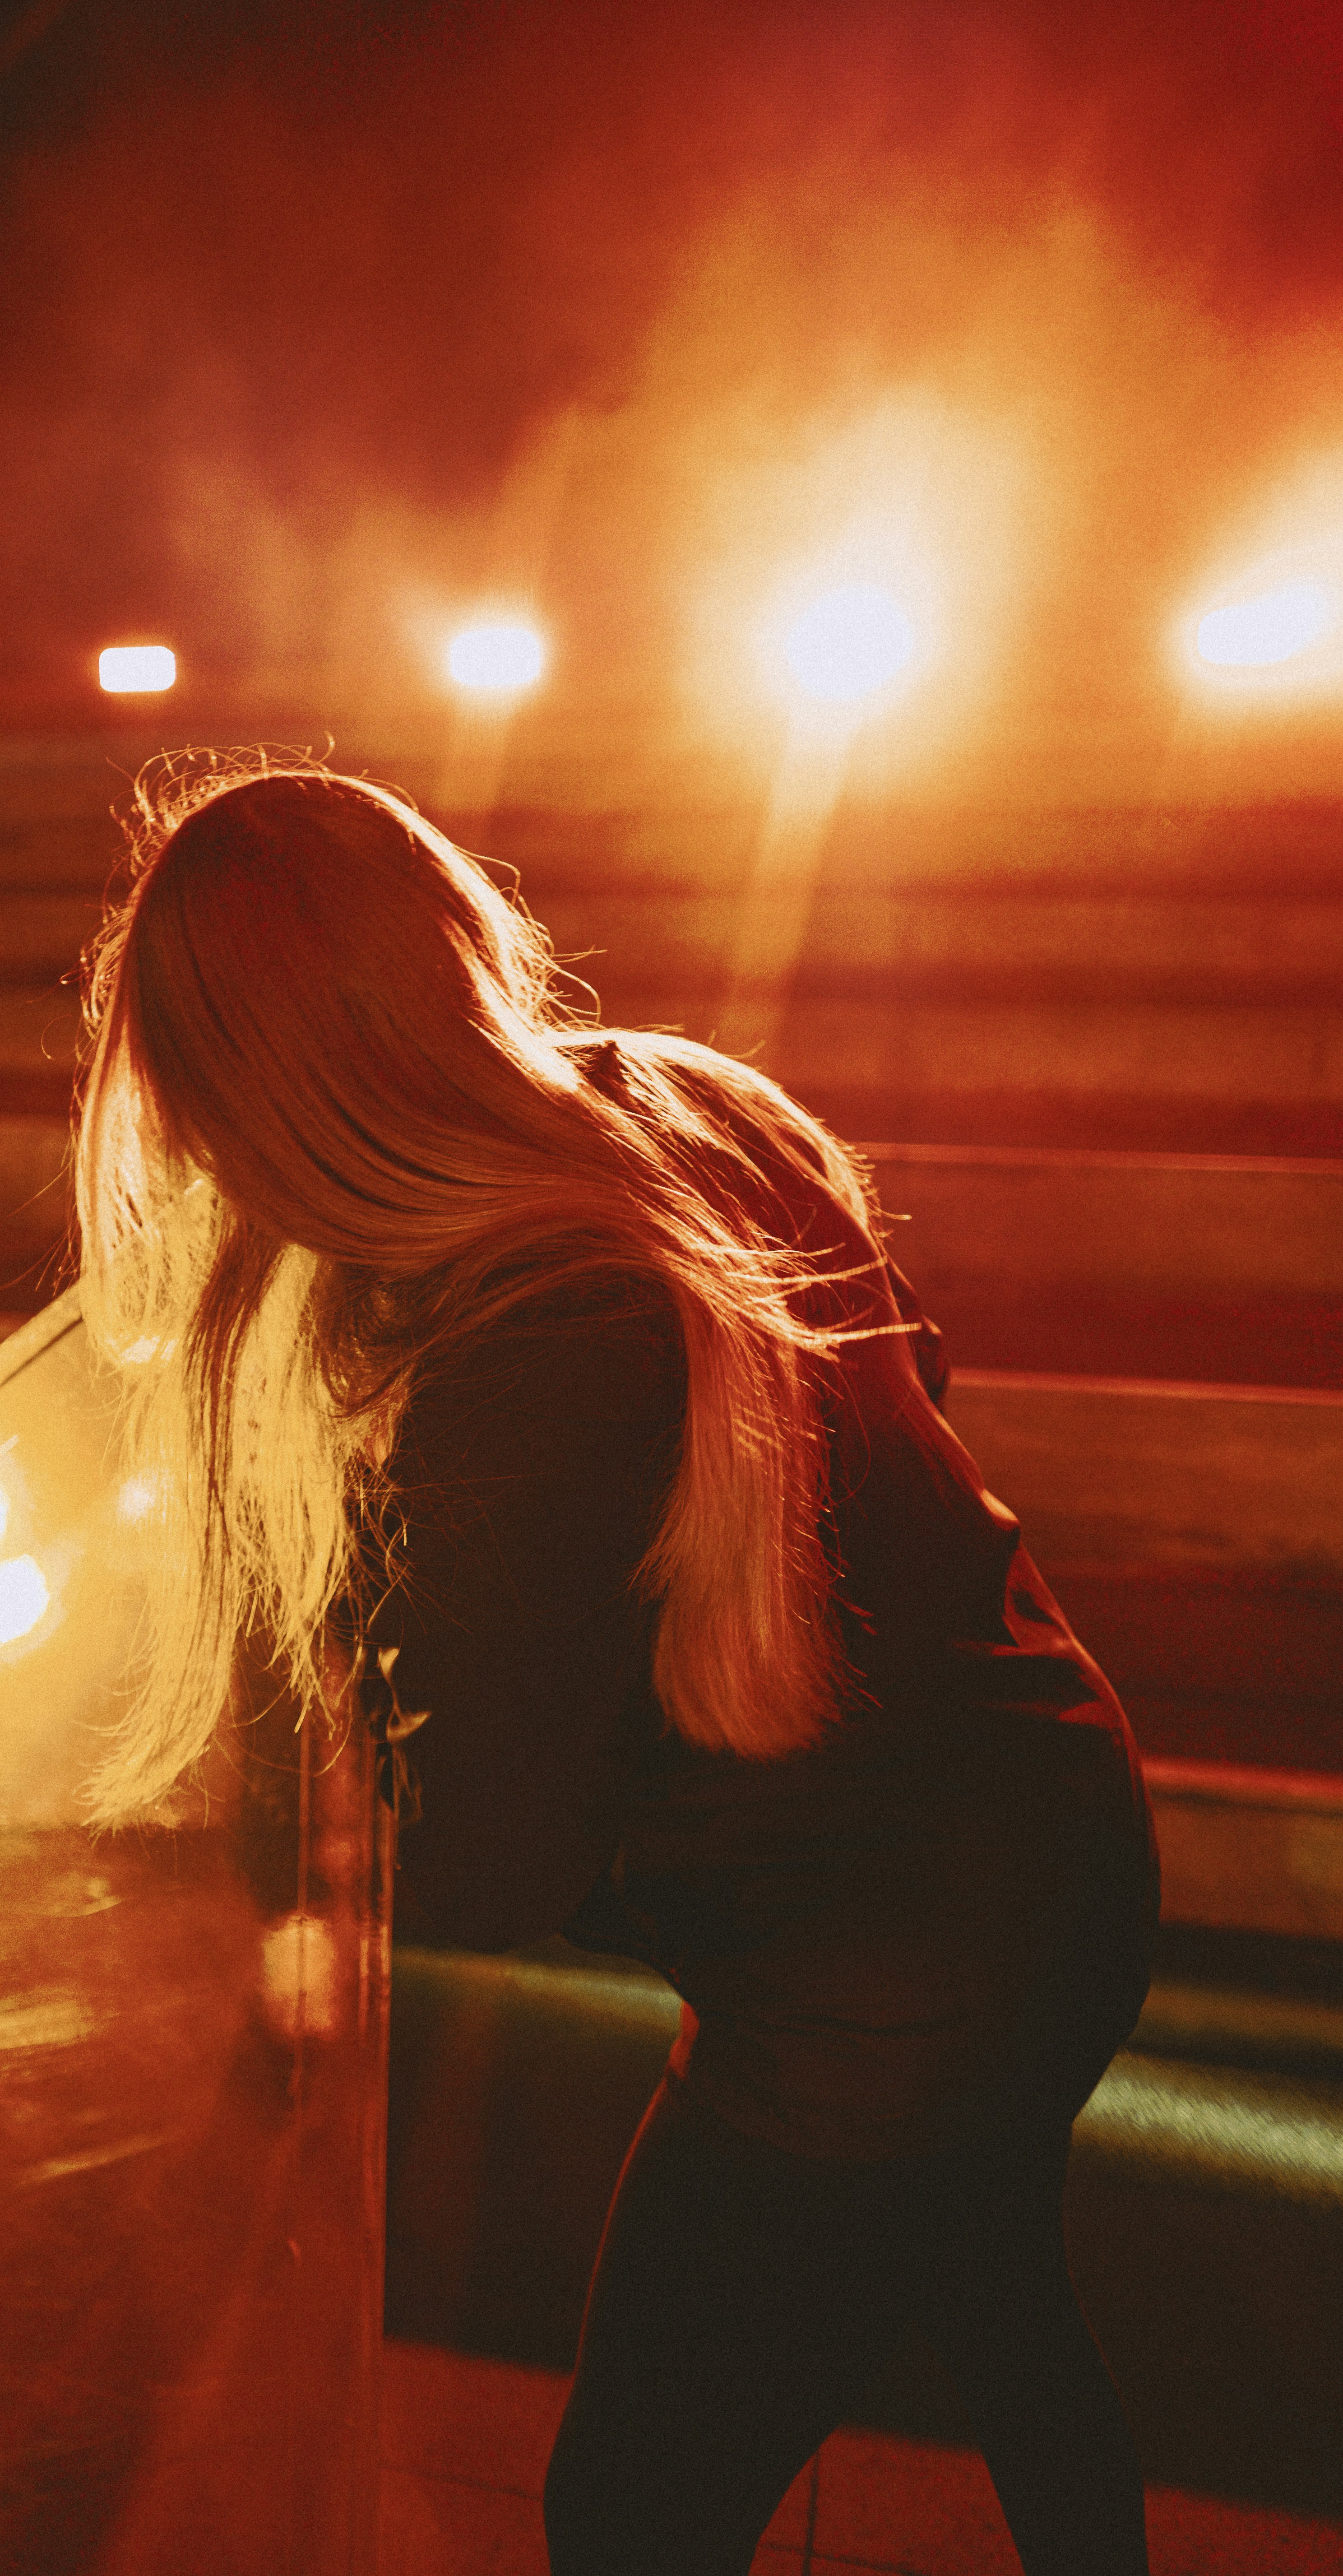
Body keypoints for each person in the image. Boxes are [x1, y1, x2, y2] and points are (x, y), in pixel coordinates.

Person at [73, 758, 1159, 2576]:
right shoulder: (676, 1095)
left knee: (629, 2512)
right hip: (1052, 1824)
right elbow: (917, 1399)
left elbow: (487, 1864)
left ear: (227, 1096)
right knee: (1003, 2302)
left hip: (873, 1983)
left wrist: (312, 1828)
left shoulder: (521, 1345)